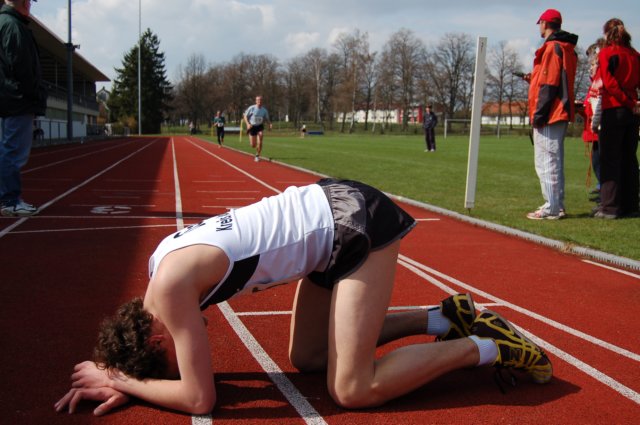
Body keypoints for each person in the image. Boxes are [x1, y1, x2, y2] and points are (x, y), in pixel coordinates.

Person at [55, 178, 552, 417]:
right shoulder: (157, 271)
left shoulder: (171, 292)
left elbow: (200, 397)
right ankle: (443, 318)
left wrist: (123, 379)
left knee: (352, 390)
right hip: (326, 228)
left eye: (167, 364)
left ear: (155, 339)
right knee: (308, 357)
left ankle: (489, 345)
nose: (180, 364)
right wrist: (122, 370)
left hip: (353, 226)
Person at [522, 9, 578, 220]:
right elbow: (552, 80)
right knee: (553, 160)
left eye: (540, 23)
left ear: (545, 24)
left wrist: (539, 115)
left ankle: (552, 207)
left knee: (546, 161)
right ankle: (556, 204)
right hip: (558, 110)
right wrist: (533, 79)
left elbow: (549, 84)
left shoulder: (552, 47)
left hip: (551, 113)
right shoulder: (566, 48)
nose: (539, 27)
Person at [0, 0, 47, 217]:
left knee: (8, 149)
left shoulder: (8, 23)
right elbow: (21, 66)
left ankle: (8, 198)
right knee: (13, 151)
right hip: (17, 99)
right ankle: (9, 200)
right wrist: (34, 94)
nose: (29, 4)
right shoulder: (13, 26)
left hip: (10, 98)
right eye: (26, 0)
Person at [593, 18, 640, 219]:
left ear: (607, 33)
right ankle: (630, 205)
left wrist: (626, 101)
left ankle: (610, 206)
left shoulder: (607, 53)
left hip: (614, 109)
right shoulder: (635, 55)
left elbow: (610, 84)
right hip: (633, 110)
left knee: (610, 159)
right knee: (629, 158)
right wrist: (634, 102)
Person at [576, 39, 605, 203]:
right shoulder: (594, 82)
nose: (590, 67)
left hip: (599, 128)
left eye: (593, 64)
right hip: (595, 129)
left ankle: (605, 192)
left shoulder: (599, 81)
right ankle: (603, 188)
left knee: (601, 161)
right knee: (597, 161)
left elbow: (597, 105)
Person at [243, 95, 272, 162]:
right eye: (258, 100)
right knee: (253, 145)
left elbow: (267, 119)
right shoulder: (252, 108)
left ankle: (257, 156)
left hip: (259, 126)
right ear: (256, 101)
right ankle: (252, 139)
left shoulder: (264, 110)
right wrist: (247, 124)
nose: (259, 101)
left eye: (260, 100)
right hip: (252, 127)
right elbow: (245, 116)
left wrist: (270, 124)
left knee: (261, 137)